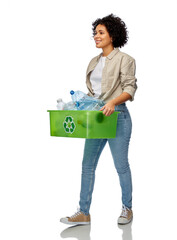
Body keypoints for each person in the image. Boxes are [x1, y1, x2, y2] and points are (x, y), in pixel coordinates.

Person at [60, 13, 137, 225]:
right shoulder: (93, 62)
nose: (96, 36)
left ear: (112, 35)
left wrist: (112, 102)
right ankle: (83, 212)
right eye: (95, 33)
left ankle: (127, 208)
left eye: (101, 32)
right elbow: (94, 93)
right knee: (87, 165)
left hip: (117, 116)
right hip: (96, 118)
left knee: (121, 165)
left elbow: (130, 89)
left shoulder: (125, 60)